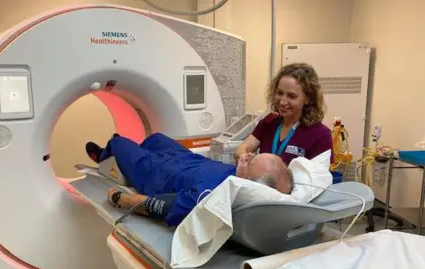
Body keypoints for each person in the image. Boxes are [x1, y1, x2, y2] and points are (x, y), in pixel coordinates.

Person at [85, 133, 293, 227]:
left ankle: (106, 155)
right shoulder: (239, 175)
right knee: (156, 138)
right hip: (185, 158)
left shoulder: (211, 197)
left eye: (250, 161)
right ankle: (128, 152)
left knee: (118, 141)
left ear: (248, 184)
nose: (246, 155)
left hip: (155, 173)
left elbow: (160, 206)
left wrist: (120, 198)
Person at [234, 63, 333, 166]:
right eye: (280, 93)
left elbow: (318, 176)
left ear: (307, 98)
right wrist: (246, 158)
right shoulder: (269, 123)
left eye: (291, 96)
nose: (282, 102)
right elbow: (243, 148)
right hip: (262, 181)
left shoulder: (321, 135)